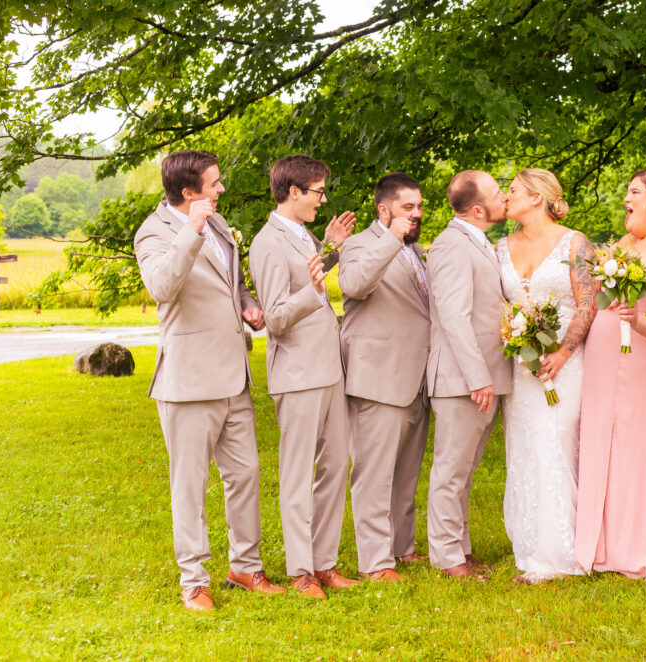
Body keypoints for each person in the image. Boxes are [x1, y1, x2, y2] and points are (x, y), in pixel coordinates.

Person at [134, 149, 281, 611]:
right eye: (214, 183)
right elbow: (161, 287)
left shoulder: (219, 224)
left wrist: (246, 302)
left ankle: (246, 567)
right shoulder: (154, 232)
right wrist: (191, 231)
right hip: (188, 380)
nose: (221, 189)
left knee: (246, 475)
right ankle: (193, 580)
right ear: (188, 192)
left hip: (234, 374)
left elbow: (230, 279)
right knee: (190, 485)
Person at [247, 155, 358, 599]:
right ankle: (300, 571)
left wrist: (329, 249)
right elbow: (274, 318)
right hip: (296, 373)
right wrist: (314, 293)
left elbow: (310, 276)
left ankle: (325, 563)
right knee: (297, 473)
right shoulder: (267, 243)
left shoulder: (303, 235)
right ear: (293, 193)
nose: (323, 199)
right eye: (318, 191)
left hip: (329, 368)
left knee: (335, 466)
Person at [574, 168, 646, 582]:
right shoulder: (625, 243)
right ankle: (602, 542)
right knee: (605, 442)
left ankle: (642, 546)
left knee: (642, 446)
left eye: (634, 192)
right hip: (606, 358)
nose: (626, 199)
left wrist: (639, 325)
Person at [496, 168, 596, 583]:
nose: (505, 197)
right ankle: (530, 544)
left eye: (513, 191)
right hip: (521, 368)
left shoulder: (575, 242)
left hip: (566, 366)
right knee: (523, 447)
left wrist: (562, 351)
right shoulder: (500, 246)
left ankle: (560, 553)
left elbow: (588, 302)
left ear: (537, 197)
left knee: (554, 445)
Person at [339, 173, 431, 583]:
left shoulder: (418, 253)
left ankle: (402, 548)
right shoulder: (359, 244)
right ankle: (376, 562)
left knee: (406, 473)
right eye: (408, 207)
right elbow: (356, 285)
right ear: (384, 210)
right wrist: (391, 240)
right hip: (377, 377)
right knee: (374, 475)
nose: (416, 214)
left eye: (419, 206)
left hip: (416, 377)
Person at [425, 170, 513, 581]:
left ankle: (461, 548)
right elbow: (454, 318)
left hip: (482, 377)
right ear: (478, 209)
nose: (506, 196)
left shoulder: (480, 243)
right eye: (498, 192)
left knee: (466, 471)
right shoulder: (450, 246)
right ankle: (446, 557)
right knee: (451, 470)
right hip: (463, 381)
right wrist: (479, 378)